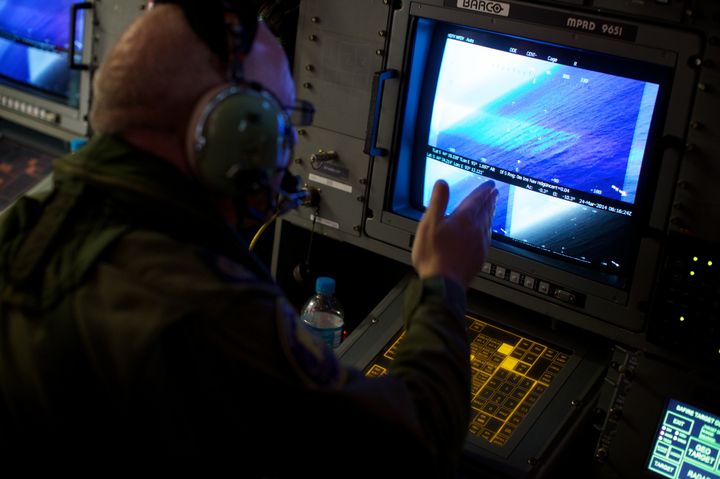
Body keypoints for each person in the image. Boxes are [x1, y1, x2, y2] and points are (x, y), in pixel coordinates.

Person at [0, 1, 498, 475]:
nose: (282, 152)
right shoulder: (199, 307)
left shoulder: (32, 217)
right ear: (235, 130)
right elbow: (412, 447)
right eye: (278, 120)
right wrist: (444, 279)